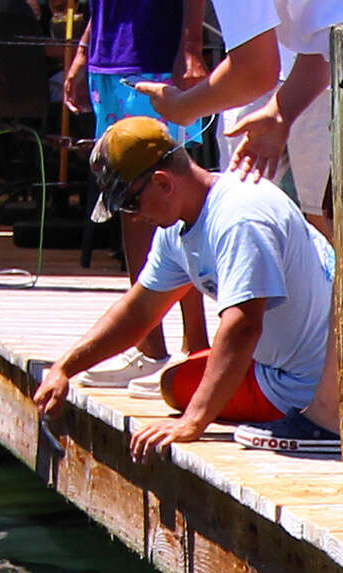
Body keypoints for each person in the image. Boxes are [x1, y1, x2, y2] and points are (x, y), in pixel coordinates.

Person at [30, 118, 341, 461]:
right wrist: (64, 368)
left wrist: (194, 422)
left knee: (185, 392)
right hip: (274, 364)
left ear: (163, 183)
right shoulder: (181, 222)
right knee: (174, 384)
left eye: (131, 204)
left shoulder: (239, 218)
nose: (132, 217)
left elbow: (242, 326)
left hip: (307, 386)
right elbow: (138, 313)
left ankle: (311, 419)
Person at [65, 0, 215, 382]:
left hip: (154, 57)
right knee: (130, 201)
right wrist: (84, 51)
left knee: (168, 194)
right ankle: (149, 348)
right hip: (109, 57)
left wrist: (191, 47)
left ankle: (195, 347)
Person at [137, 0, 343, 233]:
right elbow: (323, 44)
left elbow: (254, 71)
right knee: (242, 211)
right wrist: (281, 112)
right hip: (330, 65)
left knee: (336, 226)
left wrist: (181, 109)